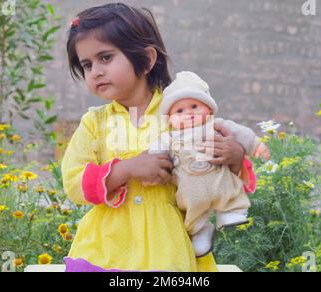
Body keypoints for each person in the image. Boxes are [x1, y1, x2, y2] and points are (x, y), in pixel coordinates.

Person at [61, 3, 256, 272]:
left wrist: (234, 157)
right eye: (86, 64)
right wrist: (126, 169)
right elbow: (74, 182)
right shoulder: (94, 122)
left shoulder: (182, 112)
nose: (95, 71)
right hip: (104, 247)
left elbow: (215, 175)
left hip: (167, 244)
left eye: (105, 57)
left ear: (147, 59)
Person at [148, 71, 269, 257]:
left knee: (229, 192)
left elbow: (242, 134)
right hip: (190, 190)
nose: (188, 114)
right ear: (170, 118)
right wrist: (151, 166)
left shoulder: (217, 125)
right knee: (192, 211)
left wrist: (256, 146)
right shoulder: (169, 137)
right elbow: (155, 153)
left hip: (219, 179)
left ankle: (230, 214)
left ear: (209, 109)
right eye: (179, 111)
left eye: (195, 106)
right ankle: (201, 230)